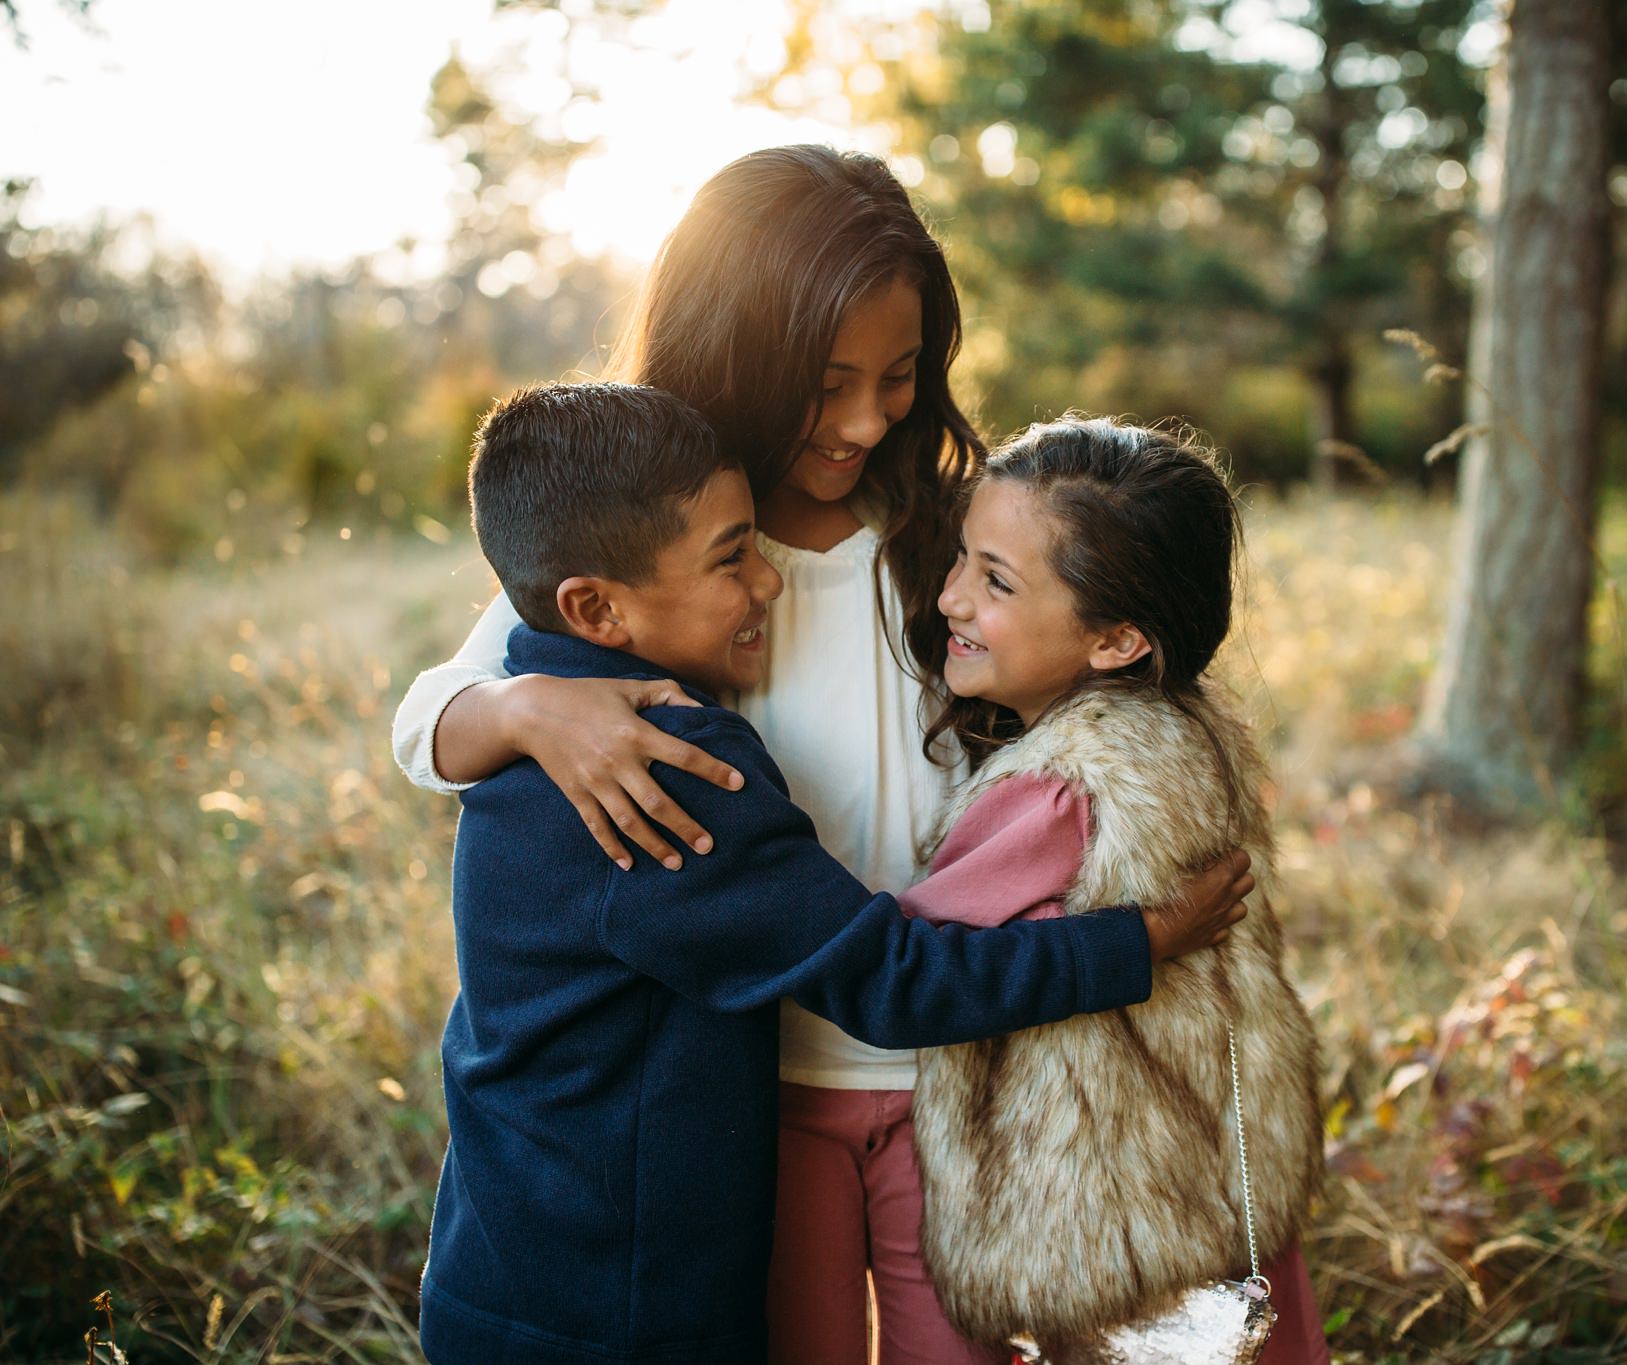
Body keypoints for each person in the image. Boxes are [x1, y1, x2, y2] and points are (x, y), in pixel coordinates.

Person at [390, 146, 1251, 1361]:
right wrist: (527, 712)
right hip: (761, 1084)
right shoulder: (659, 547)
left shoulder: (944, 534)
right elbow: (424, 722)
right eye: (824, 382)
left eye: (897, 377)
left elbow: (1089, 673)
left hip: (955, 1061)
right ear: (735, 356)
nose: (861, 419)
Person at [901, 416, 1331, 1360]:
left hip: (1109, 1222)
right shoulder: (1196, 736)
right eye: (963, 560)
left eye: (996, 581)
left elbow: (914, 965)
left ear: (1119, 638)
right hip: (1214, 1185)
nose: (949, 598)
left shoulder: (1053, 788)